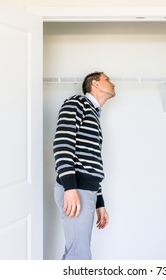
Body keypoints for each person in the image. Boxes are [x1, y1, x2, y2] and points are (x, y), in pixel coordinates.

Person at [53, 71, 115, 260]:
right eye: (107, 79)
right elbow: (62, 143)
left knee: (77, 254)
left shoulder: (94, 116)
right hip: (76, 189)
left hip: (84, 190)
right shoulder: (77, 103)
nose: (113, 83)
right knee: (79, 256)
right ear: (95, 84)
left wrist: (99, 203)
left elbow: (91, 163)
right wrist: (70, 187)